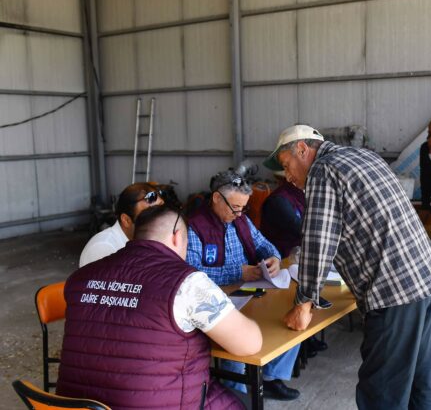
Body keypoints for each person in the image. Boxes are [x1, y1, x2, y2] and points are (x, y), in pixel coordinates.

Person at [264, 124, 431, 410]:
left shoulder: (323, 170)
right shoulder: (365, 157)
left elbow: (318, 240)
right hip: (426, 279)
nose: (287, 177)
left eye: (287, 166)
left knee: (382, 394)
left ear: (303, 150)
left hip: (394, 292)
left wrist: (304, 303)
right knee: (418, 382)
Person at [57, 206, 261, 409]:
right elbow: (249, 344)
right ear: (177, 236)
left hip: (72, 406)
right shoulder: (188, 283)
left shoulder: (80, 277)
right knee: (242, 402)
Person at [186, 170, 301, 401]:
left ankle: (270, 378)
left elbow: (265, 245)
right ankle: (233, 395)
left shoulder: (241, 220)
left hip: (248, 290)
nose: (239, 213)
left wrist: (274, 259)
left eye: (243, 208)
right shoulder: (194, 226)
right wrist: (238, 272)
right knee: (233, 339)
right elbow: (190, 272)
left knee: (291, 317)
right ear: (217, 198)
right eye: (234, 207)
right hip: (215, 299)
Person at [260, 170, 328, 356]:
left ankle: (307, 338)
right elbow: (302, 230)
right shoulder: (278, 201)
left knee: (314, 292)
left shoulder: (304, 196)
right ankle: (298, 344)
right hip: (283, 264)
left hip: (298, 261)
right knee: (298, 295)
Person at [79, 182, 164, 267]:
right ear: (126, 220)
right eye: (148, 217)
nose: (160, 223)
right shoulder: (104, 247)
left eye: (163, 213)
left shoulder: (150, 241)